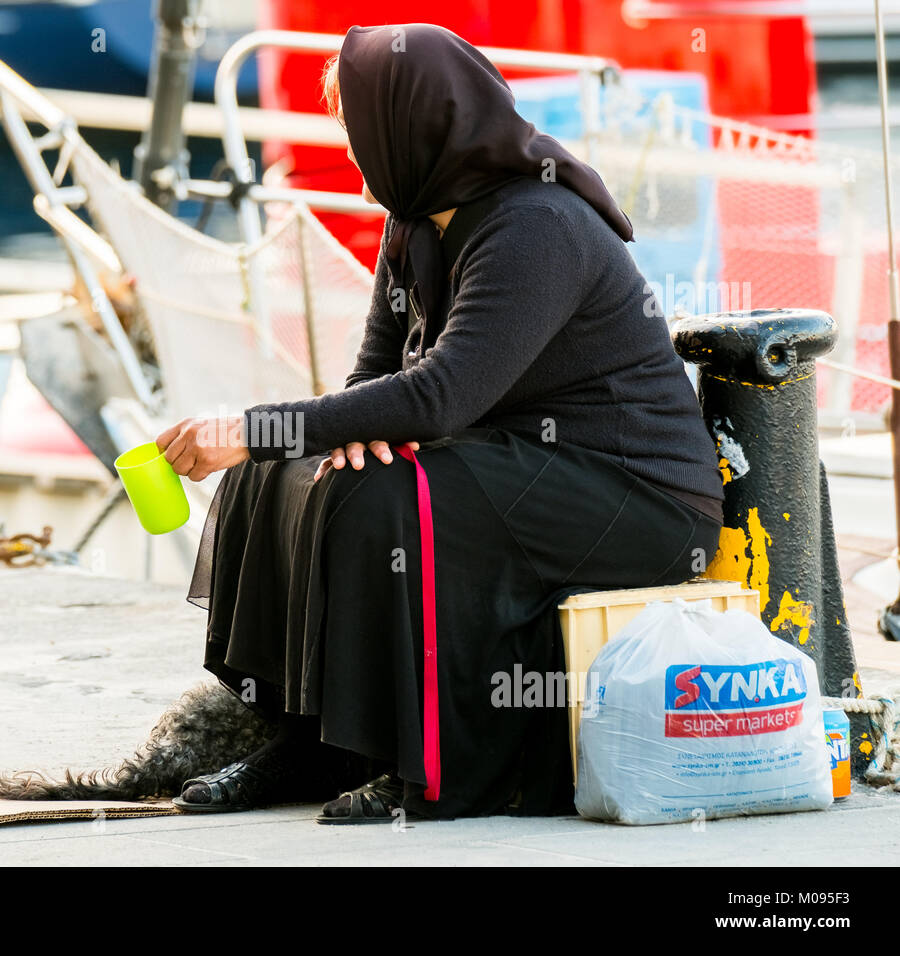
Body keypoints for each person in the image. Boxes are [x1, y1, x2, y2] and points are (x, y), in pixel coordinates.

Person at [155, 22, 724, 823]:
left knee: (374, 495)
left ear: (409, 129)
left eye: (357, 133)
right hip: (511, 457)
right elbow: (376, 378)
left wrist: (253, 424)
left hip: (633, 494)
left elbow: (442, 397)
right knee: (276, 473)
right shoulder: (415, 216)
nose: (350, 153)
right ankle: (308, 741)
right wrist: (301, 441)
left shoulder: (536, 225)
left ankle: (427, 769)